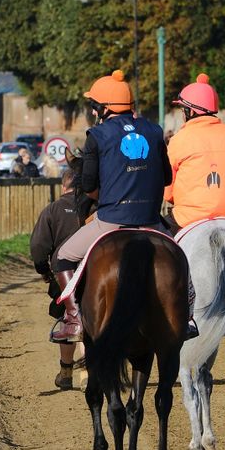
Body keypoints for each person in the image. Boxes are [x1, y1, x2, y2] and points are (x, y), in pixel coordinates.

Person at [51, 69, 172, 343]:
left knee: (62, 256)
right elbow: (167, 178)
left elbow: (90, 185)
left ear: (103, 108)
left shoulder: (98, 134)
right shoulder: (154, 130)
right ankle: (187, 314)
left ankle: (74, 319)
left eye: (94, 106)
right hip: (151, 220)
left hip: (112, 219)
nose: (94, 112)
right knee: (182, 258)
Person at [163, 73, 225, 233]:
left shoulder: (179, 139)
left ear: (191, 111)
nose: (182, 113)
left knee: (156, 246)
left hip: (187, 218)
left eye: (183, 109)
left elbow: (167, 184)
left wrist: (175, 198)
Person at [30, 170, 83, 390]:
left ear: (63, 186)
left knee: (68, 318)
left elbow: (38, 246)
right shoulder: (94, 208)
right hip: (93, 267)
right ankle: (88, 370)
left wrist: (44, 271)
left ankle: (67, 372)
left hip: (64, 274)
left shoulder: (52, 210)